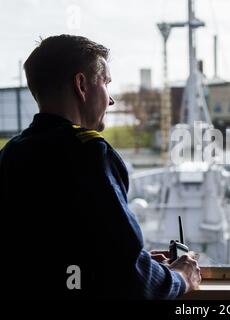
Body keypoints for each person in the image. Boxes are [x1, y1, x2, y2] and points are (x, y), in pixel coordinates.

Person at [0, 35, 201, 299]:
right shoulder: (88, 154)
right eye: (106, 83)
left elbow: (52, 258)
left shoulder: (11, 154)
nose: (111, 100)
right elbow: (133, 283)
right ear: (81, 85)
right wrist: (180, 277)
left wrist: (138, 263)